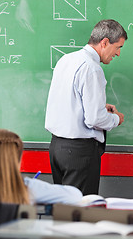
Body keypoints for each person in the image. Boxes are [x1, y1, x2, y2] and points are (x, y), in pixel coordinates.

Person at [45, 19, 127, 195]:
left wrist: (98, 106)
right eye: (118, 47)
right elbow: (94, 119)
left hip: (57, 148)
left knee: (64, 209)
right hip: (79, 153)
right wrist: (115, 119)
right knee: (79, 213)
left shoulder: (66, 60)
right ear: (104, 42)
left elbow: (68, 100)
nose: (118, 53)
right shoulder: (92, 68)